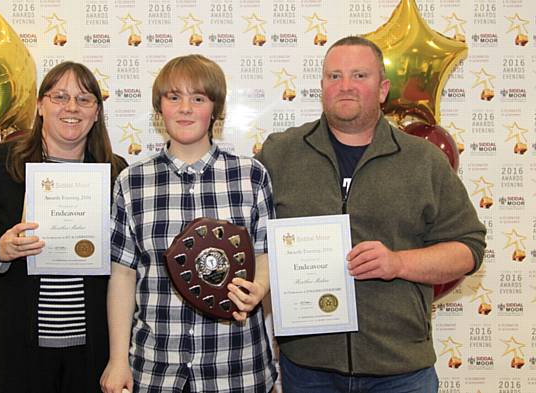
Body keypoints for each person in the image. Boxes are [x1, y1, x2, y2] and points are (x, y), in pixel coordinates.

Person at [255, 36, 487, 393]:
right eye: (334, 76)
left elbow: (468, 249)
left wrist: (397, 263)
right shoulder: (280, 154)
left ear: (383, 89)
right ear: (322, 87)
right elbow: (252, 240)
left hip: (401, 371)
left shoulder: (423, 160)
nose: (345, 86)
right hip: (308, 369)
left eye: (359, 75)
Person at [0, 61, 127, 393]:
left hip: (93, 350)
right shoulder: (0, 163)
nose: (72, 107)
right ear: (40, 105)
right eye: (60, 97)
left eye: (84, 99)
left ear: (97, 112)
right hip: (16, 348)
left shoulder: (116, 172)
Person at [100, 54, 276, 393]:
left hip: (236, 367)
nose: (185, 108)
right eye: (174, 97)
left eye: (198, 98)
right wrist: (118, 359)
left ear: (215, 109)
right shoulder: (131, 181)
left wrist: (259, 288)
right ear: (159, 108)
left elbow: (266, 255)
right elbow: (123, 275)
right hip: (156, 368)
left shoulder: (251, 175)